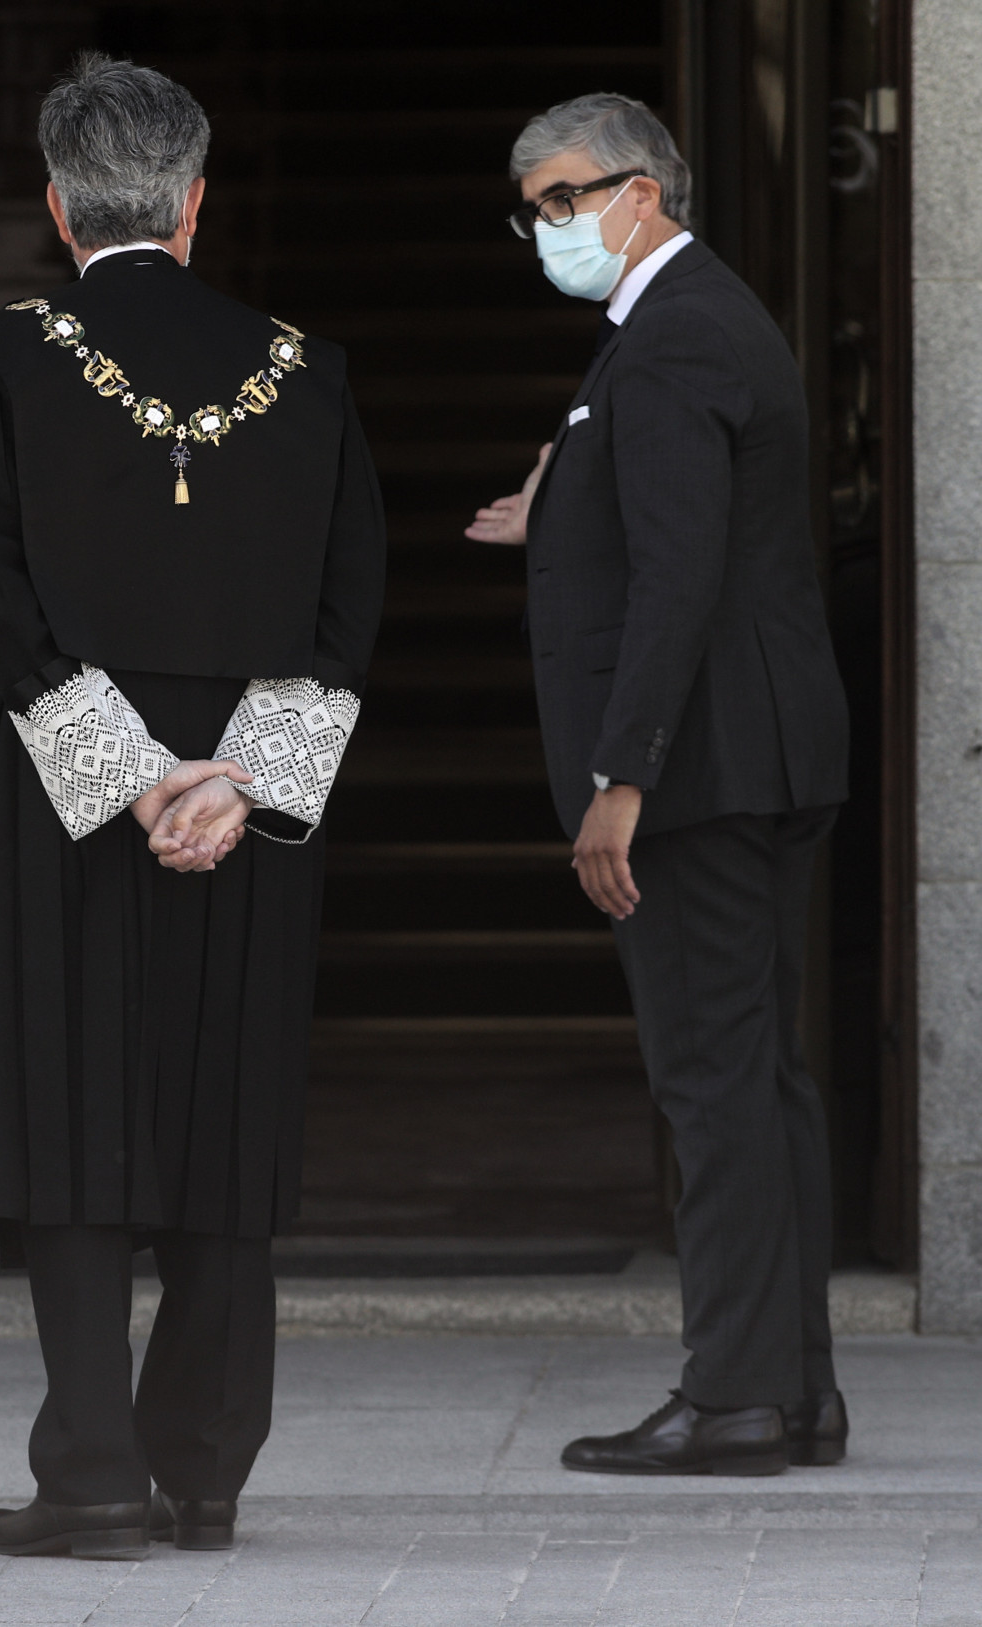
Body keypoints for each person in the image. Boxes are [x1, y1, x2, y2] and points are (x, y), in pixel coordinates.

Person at [0, 53, 385, 1556]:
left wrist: (128, 787)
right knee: (225, 1114)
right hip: (245, 814)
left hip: (71, 806)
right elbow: (347, 609)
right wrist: (228, 788)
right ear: (195, 205)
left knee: (76, 1126)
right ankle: (201, 1467)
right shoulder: (308, 368)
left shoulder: (1, 357)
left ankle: (93, 1479)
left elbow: (2, 601)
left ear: (61, 207)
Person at [467, 93, 850, 1476]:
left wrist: (621, 777)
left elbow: (682, 575)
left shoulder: (675, 331)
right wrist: (556, 505)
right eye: (534, 206)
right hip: (754, 751)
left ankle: (738, 1394)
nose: (551, 226)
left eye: (569, 196)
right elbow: (668, 505)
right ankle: (791, 1391)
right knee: (761, 1078)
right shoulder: (683, 325)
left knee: (713, 1084)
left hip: (700, 770)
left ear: (648, 189)